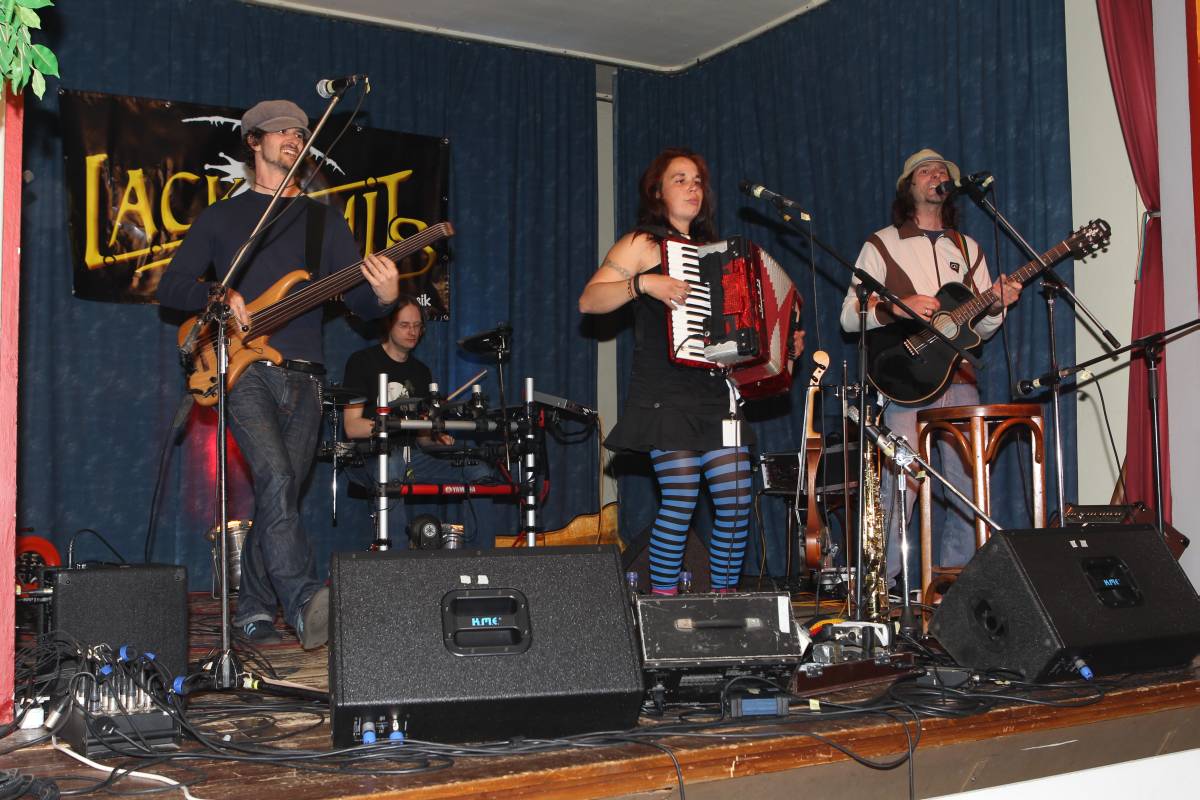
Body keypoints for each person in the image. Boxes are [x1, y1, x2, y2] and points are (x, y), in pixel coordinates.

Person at [158, 99, 399, 648]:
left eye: (301, 132)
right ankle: (305, 598)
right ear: (254, 142)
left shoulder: (322, 221)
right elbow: (171, 287)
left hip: (306, 377)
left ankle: (252, 610)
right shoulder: (223, 218)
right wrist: (217, 293)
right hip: (242, 369)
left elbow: (359, 303)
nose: (294, 138)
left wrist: (385, 296)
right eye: (282, 131)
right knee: (279, 478)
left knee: (278, 492)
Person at [579, 147, 804, 594]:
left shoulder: (718, 258)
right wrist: (643, 282)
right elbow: (590, 301)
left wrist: (781, 350)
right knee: (680, 500)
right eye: (679, 179)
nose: (692, 188)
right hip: (666, 393)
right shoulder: (642, 243)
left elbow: (738, 343)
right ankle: (663, 606)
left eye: (697, 181)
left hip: (716, 394)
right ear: (657, 192)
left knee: (736, 503)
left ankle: (723, 600)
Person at [839, 148, 1022, 582]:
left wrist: (997, 306)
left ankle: (956, 587)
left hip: (960, 377)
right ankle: (883, 586)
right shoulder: (881, 244)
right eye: (925, 170)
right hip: (905, 381)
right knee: (901, 484)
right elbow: (848, 316)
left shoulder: (968, 248)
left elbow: (981, 330)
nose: (936, 174)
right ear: (909, 186)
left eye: (942, 170)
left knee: (967, 488)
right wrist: (896, 307)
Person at [340, 296, 495, 547]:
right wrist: (392, 425)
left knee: (479, 470)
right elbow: (352, 426)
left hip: (414, 458)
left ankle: (483, 557)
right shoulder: (362, 362)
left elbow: (423, 440)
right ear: (388, 325)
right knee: (391, 464)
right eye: (404, 325)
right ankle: (397, 559)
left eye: (417, 326)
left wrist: (436, 438)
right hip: (370, 456)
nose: (413, 332)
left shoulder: (421, 372)